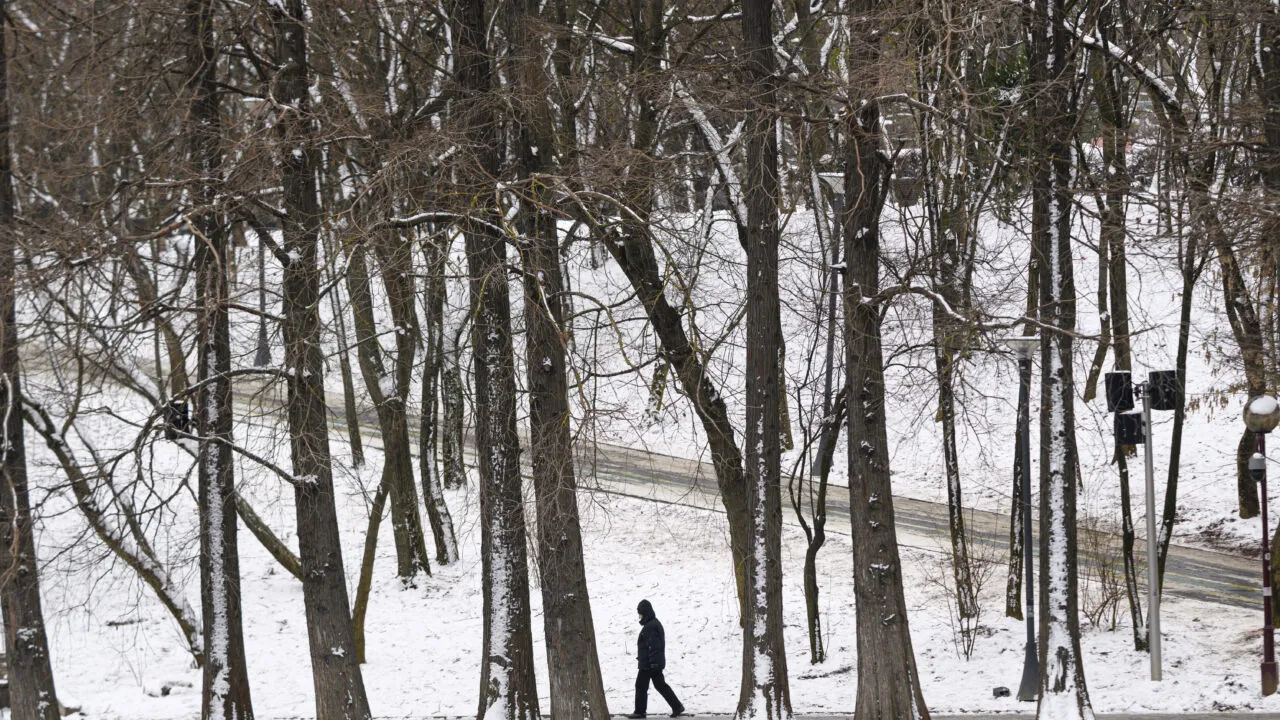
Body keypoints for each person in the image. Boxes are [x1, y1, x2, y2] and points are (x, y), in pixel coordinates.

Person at [628, 599, 685, 719]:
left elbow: (653, 646)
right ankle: (677, 706)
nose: (639, 617)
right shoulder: (653, 623)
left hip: (649, 664)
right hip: (652, 663)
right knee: (660, 685)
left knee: (640, 686)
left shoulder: (651, 626)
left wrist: (652, 663)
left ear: (646, 613)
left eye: (641, 614)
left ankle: (640, 711)